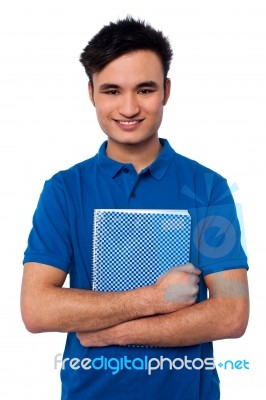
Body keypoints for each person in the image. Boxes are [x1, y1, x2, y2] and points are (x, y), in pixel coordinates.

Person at [21, 17, 249, 400]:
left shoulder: (207, 188)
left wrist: (109, 332)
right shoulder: (64, 190)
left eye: (144, 89)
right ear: (91, 93)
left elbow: (232, 312)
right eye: (112, 90)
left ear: (166, 91)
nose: (129, 108)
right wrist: (153, 299)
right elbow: (37, 308)